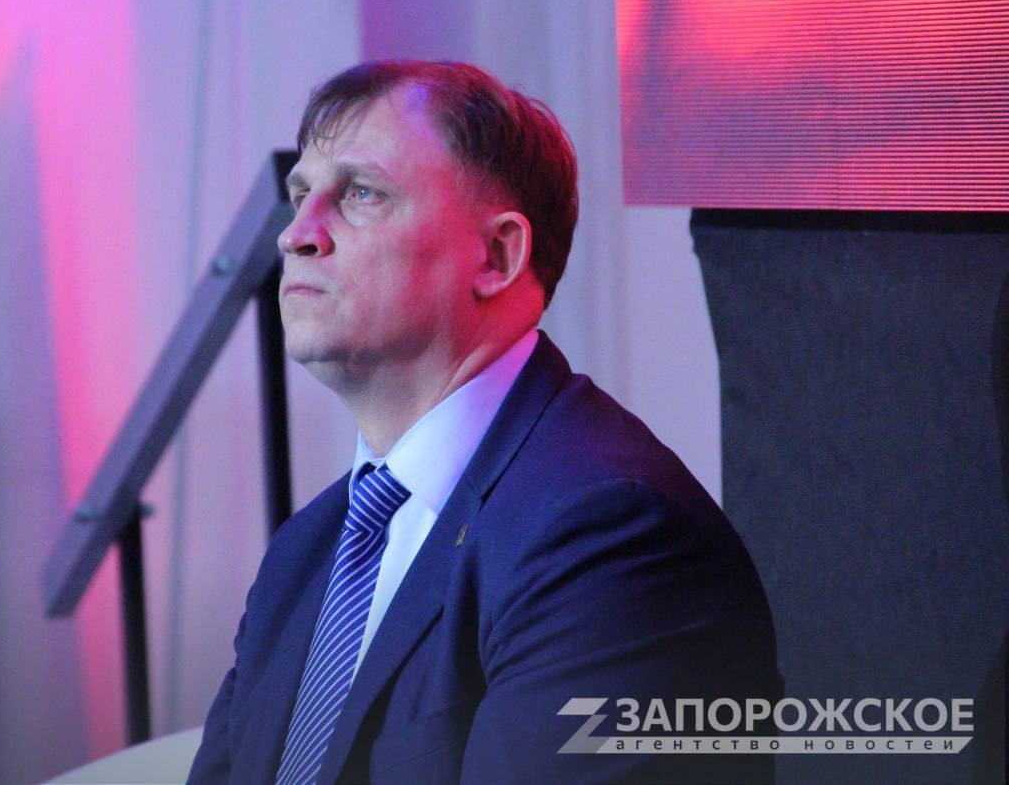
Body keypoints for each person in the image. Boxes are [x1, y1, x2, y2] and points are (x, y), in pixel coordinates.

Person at [188, 60, 782, 784]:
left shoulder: (610, 534)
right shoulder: (305, 550)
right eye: (300, 195)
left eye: (361, 193)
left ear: (497, 256)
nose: (297, 235)